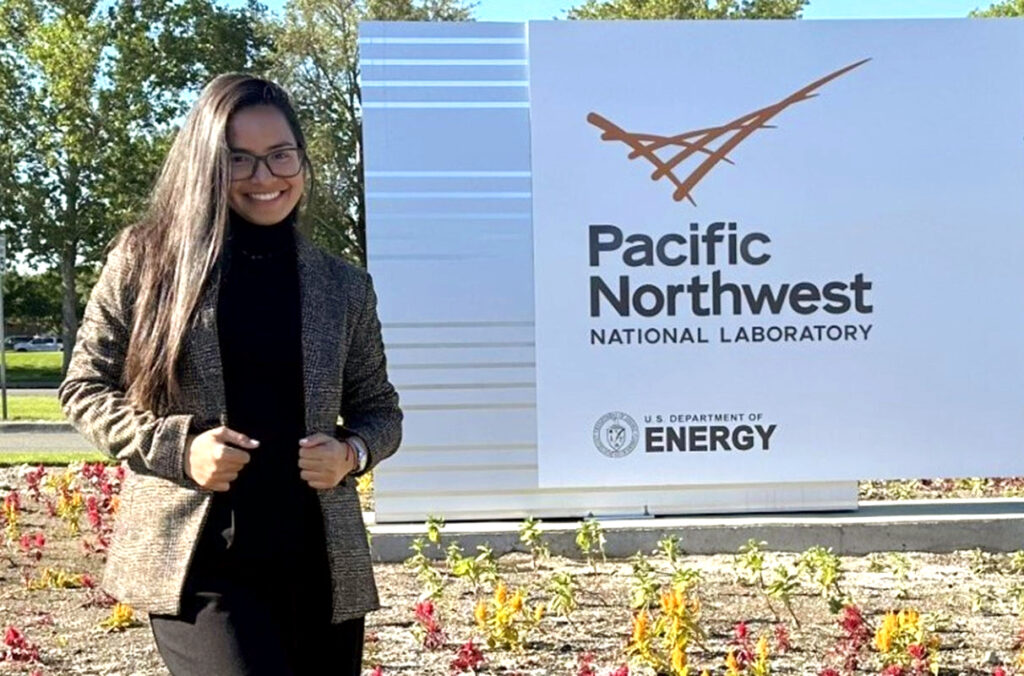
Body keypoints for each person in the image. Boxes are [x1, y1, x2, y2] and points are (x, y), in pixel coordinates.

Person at [57, 74, 403, 675]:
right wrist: (179, 448)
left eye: (280, 155)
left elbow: (381, 411)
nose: (264, 177)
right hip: (201, 568)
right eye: (238, 159)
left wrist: (352, 453)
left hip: (320, 564)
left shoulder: (343, 285)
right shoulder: (147, 261)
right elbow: (85, 388)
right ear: (206, 163)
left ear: (301, 159)